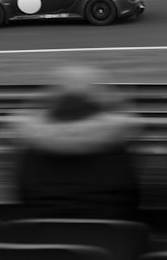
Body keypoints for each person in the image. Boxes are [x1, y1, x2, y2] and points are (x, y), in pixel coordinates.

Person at [9, 65, 141, 221]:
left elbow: (23, 195)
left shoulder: (34, 145)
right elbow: (131, 198)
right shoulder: (114, 143)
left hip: (42, 235)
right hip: (111, 238)